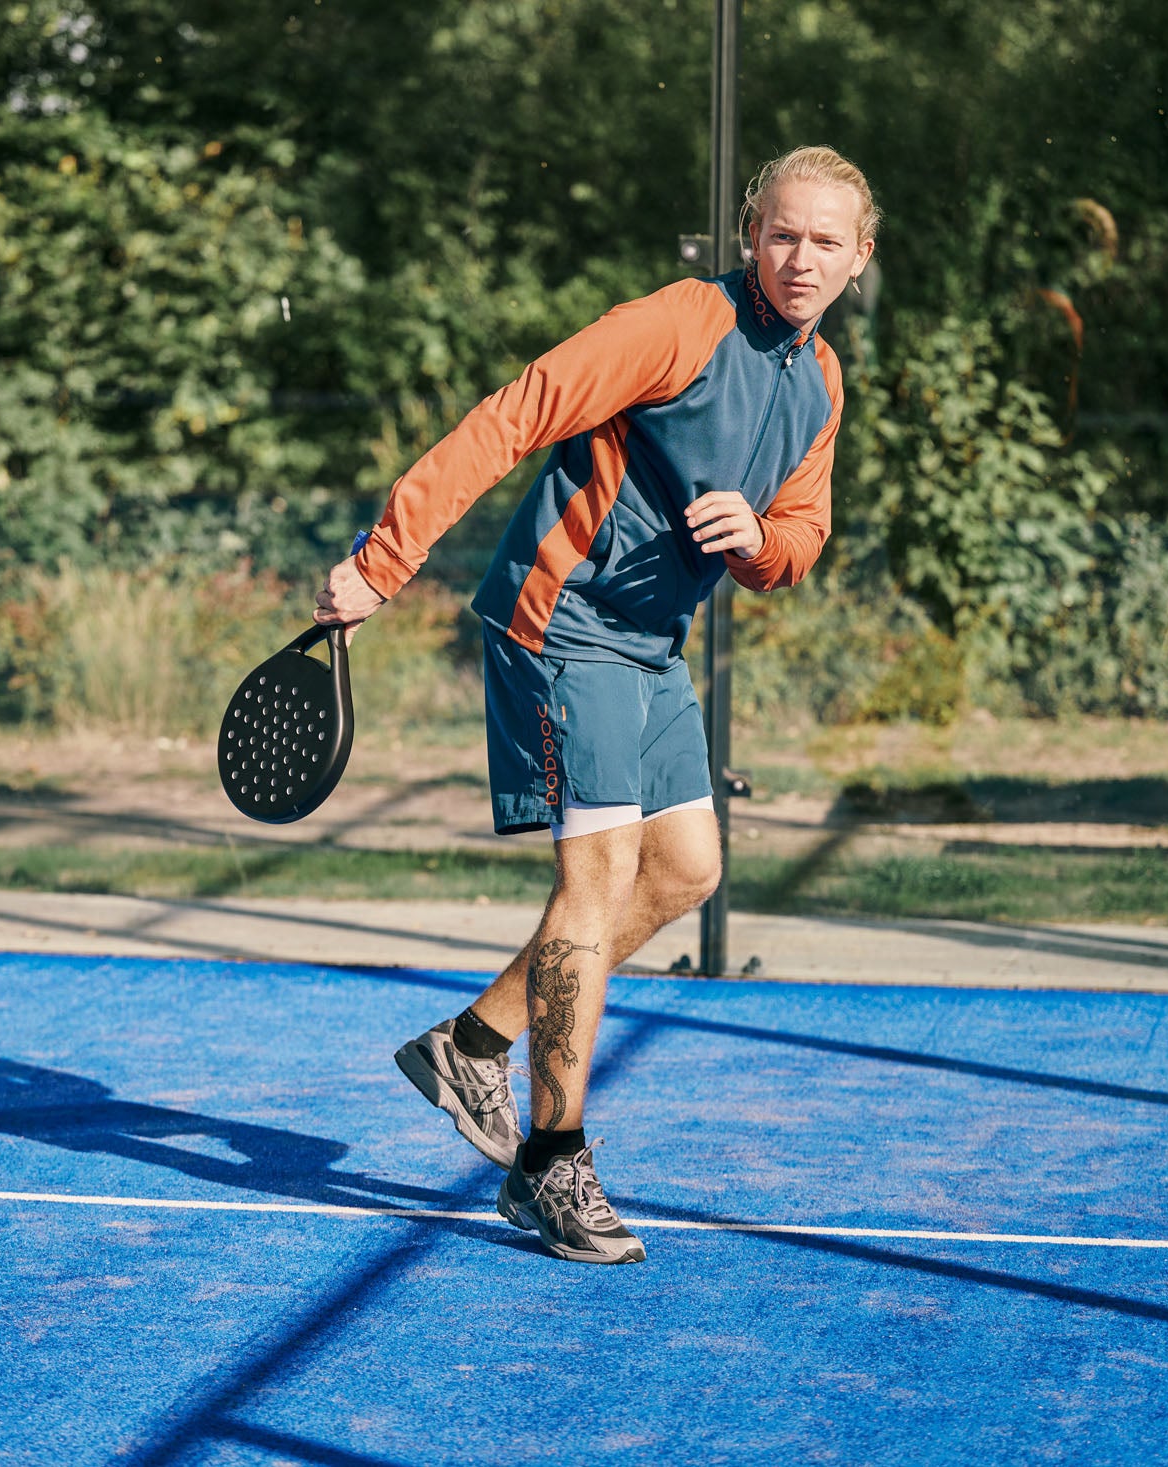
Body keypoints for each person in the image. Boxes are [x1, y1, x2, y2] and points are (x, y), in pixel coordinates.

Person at [314, 146, 878, 1264]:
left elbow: (803, 535)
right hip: (556, 620)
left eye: (825, 241)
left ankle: (471, 1044)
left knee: (688, 871)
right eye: (781, 233)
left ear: (859, 259)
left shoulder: (818, 381)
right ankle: (550, 1161)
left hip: (648, 646)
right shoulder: (679, 322)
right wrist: (386, 560)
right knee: (599, 878)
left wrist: (760, 544)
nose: (799, 257)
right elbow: (515, 412)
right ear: (748, 236)